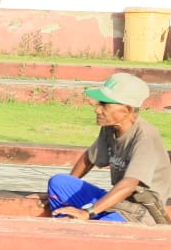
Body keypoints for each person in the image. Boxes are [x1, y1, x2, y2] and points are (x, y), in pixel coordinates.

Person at [45, 72, 171, 226]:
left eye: (104, 105)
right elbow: (89, 159)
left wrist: (87, 212)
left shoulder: (145, 138)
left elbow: (130, 184)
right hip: (116, 202)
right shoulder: (109, 128)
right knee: (59, 183)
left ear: (127, 110)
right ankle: (66, 223)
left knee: (99, 228)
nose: (97, 110)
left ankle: (77, 231)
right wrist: (69, 196)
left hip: (139, 213)